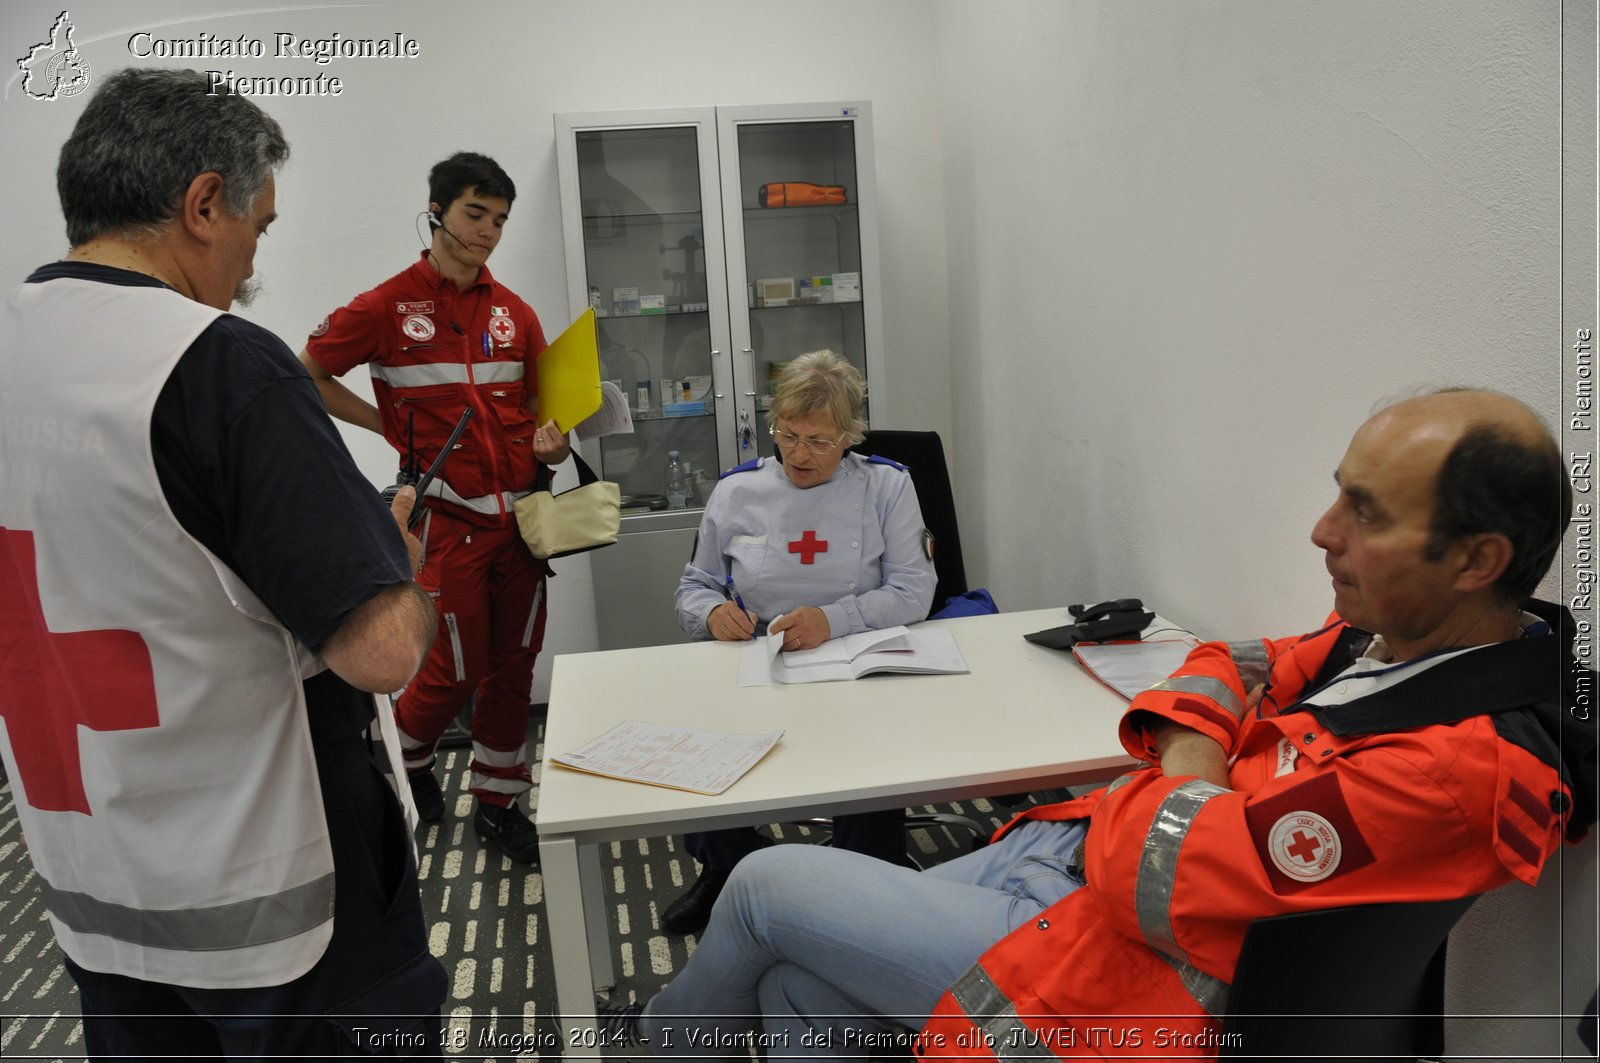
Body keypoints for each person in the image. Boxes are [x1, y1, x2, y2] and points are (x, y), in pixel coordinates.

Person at [602, 388, 1596, 1057]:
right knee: (790, 1004)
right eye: (1337, 493)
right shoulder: (1375, 637)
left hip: (1121, 973)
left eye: (1366, 513)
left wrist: (1183, 780)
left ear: (1475, 561)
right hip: (1068, 855)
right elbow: (1220, 659)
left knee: (766, 884)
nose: (1322, 531)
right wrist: (1196, 766)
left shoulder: (1460, 767)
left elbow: (1154, 877)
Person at [0, 68, 445, 1058]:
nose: (251, 262)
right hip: (271, 907)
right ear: (204, 204)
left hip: (94, 886)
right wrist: (395, 561)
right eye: (259, 226)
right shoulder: (222, 363)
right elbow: (378, 650)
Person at [300, 151, 571, 865]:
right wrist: (381, 424)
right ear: (438, 211)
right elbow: (310, 371)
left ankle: (499, 801)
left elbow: (551, 412)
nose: (488, 232)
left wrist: (553, 446)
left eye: (501, 220)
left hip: (522, 526)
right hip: (447, 523)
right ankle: (408, 763)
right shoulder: (388, 305)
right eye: (476, 214)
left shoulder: (516, 312)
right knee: (452, 668)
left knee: (514, 666)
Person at [663, 349, 937, 933]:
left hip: (855, 656)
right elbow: (695, 586)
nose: (798, 454)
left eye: (819, 441)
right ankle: (728, 871)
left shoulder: (887, 486)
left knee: (870, 762)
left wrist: (832, 620)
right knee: (711, 746)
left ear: (850, 438)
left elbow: (916, 591)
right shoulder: (738, 491)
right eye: (787, 435)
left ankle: (865, 876)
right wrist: (712, 613)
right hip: (758, 656)